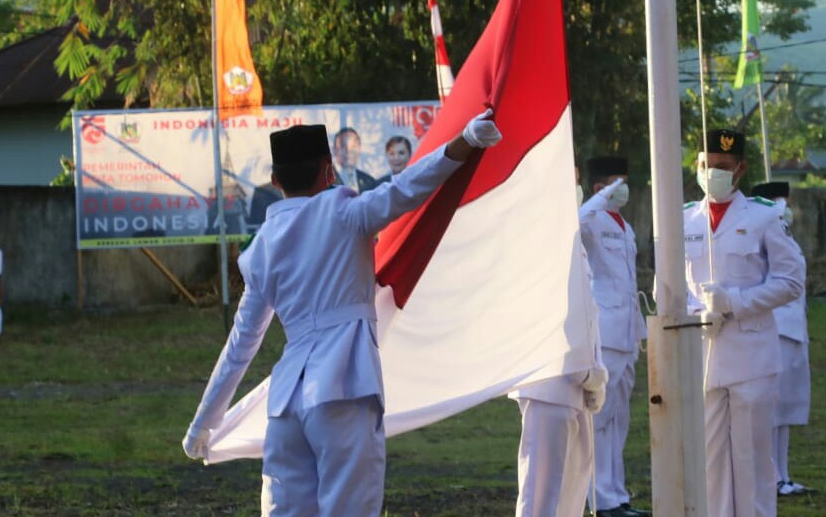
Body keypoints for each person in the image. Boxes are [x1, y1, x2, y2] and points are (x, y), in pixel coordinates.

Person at [182, 110, 503, 516]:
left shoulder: (262, 248)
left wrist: (202, 425)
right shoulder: (347, 213)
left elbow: (239, 347)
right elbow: (410, 185)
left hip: (285, 406)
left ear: (275, 181)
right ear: (329, 170)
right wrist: (467, 140)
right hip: (344, 389)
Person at [683, 129, 803, 517]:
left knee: (752, 460)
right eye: (706, 165)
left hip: (751, 355)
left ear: (740, 170)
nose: (712, 173)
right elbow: (667, 284)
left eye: (721, 167)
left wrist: (734, 303)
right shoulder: (684, 218)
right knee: (710, 460)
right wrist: (696, 311)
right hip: (701, 354)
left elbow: (790, 281)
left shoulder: (765, 216)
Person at [509, 166, 608, 517]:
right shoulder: (543, 239)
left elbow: (587, 315)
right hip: (549, 381)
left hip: (572, 385)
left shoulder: (568, 239)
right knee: (541, 499)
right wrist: (588, 372)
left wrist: (592, 372)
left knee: (570, 494)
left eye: (578, 179)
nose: (577, 188)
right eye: (570, 180)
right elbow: (562, 314)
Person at [579, 156, 651, 517]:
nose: (622, 189)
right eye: (614, 183)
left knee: (618, 419)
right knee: (600, 418)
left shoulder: (625, 226)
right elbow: (574, 225)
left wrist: (641, 329)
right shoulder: (591, 220)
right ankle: (598, 499)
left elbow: (629, 283)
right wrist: (596, 198)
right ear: (599, 187)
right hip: (604, 333)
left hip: (627, 333)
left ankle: (617, 496)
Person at [750, 181, 814, 497]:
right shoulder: (760, 232)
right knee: (771, 409)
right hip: (775, 325)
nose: (784, 206)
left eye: (786, 201)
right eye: (778, 200)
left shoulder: (784, 234)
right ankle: (769, 475)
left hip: (793, 327)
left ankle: (783, 474)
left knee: (786, 408)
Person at [331, 127, 379, 193]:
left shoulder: (369, 181)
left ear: (359, 149)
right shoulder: (323, 182)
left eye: (353, 147)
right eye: (343, 147)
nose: (349, 151)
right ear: (334, 150)